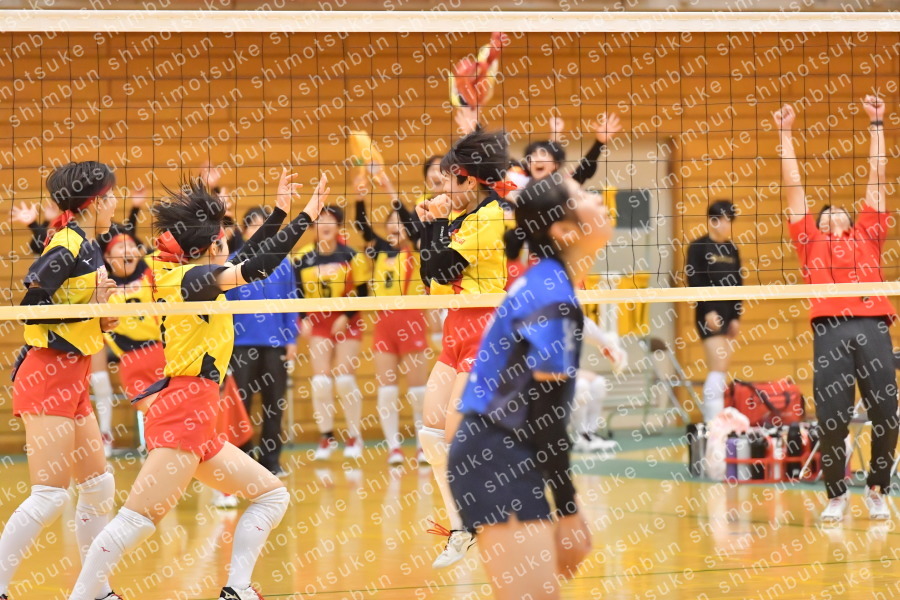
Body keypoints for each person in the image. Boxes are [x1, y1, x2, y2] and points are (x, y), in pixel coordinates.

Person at [67, 169, 327, 600]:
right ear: (202, 249)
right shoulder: (190, 281)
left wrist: (284, 212)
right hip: (184, 409)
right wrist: (303, 219)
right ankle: (86, 595)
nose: (226, 245)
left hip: (200, 412)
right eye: (220, 240)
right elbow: (258, 266)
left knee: (271, 496)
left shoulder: (190, 273)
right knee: (137, 520)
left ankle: (237, 589)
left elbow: (251, 257)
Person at [448, 174, 612, 600]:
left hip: (506, 451)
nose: (598, 198)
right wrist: (569, 511)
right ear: (565, 231)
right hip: (494, 455)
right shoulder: (551, 294)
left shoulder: (552, 284)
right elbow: (546, 415)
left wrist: (567, 506)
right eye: (583, 195)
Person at [0, 161, 122, 600]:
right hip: (48, 374)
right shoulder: (68, 243)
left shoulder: (86, 244)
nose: (115, 202)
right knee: (49, 495)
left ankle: (96, 590)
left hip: (73, 375)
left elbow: (77, 313)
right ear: (96, 201)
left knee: (99, 486)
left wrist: (103, 313)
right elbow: (33, 305)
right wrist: (91, 309)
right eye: (111, 195)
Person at [775, 97, 898, 523]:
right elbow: (793, 188)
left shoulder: (868, 234)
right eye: (825, 215)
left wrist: (877, 123)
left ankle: (877, 488)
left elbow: (877, 175)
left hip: (873, 324)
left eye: (838, 212)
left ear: (852, 219)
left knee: (886, 413)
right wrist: (785, 133)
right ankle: (836, 494)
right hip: (830, 329)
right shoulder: (810, 241)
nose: (832, 216)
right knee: (831, 418)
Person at [416, 128, 511, 568]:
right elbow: (429, 273)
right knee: (431, 433)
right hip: (455, 328)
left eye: (446, 183)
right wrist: (433, 224)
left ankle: (492, 510)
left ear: (468, 180)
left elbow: (440, 267)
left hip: (485, 329)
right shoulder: (460, 217)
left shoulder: (490, 217)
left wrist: (434, 223)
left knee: (458, 436)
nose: (442, 192)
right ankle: (461, 527)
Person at [353, 173, 429, 466]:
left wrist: (389, 190)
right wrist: (360, 197)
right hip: (384, 323)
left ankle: (423, 446)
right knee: (386, 389)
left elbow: (413, 224)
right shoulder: (381, 250)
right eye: (391, 224)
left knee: (418, 390)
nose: (396, 227)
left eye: (400, 223)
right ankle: (394, 447)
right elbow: (362, 226)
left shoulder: (418, 249)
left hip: (412, 319)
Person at [226, 206, 300, 478]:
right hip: (241, 344)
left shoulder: (283, 263)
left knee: (274, 404)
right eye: (254, 226)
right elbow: (226, 307)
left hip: (275, 343)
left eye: (265, 226)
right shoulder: (234, 262)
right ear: (245, 231)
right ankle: (242, 460)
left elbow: (292, 301)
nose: (260, 231)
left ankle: (271, 461)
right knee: (240, 405)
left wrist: (291, 338)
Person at [294, 205, 368, 460]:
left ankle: (354, 436)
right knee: (321, 382)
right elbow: (297, 292)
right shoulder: (302, 257)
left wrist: (346, 315)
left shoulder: (351, 255)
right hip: (318, 321)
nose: (325, 224)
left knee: (345, 380)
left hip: (348, 319)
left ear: (338, 226)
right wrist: (302, 318)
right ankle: (326, 437)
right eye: (320, 220)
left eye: (330, 220)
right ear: (313, 226)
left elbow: (363, 291)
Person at [685, 200, 743, 422]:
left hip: (728, 315)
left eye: (729, 220)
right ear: (712, 221)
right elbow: (695, 280)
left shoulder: (732, 248)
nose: (726, 225)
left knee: (723, 366)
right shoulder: (698, 247)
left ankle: (716, 420)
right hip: (707, 314)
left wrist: (736, 316)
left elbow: (738, 283)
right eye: (722, 220)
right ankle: (712, 422)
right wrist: (708, 311)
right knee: (717, 366)